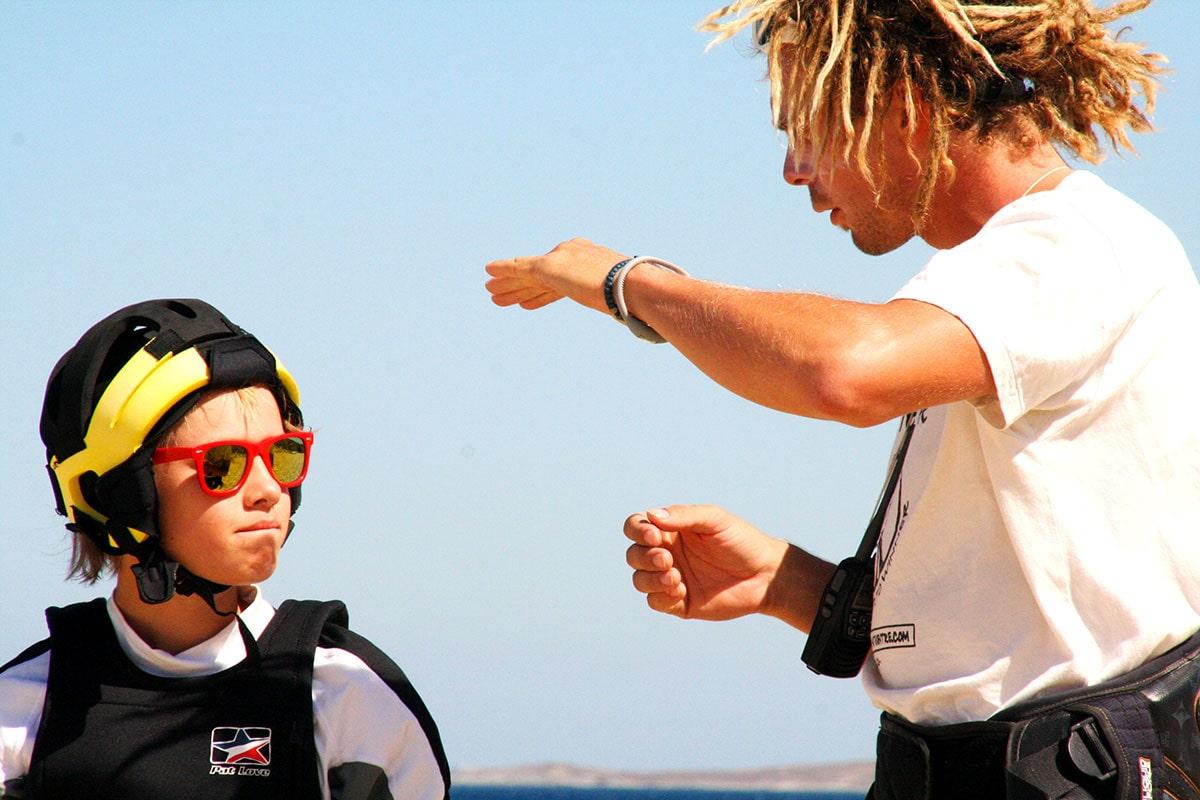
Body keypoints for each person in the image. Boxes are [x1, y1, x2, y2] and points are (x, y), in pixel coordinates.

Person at [485, 1, 1200, 797]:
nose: (794, 170)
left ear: (904, 105)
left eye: (807, 129)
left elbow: (844, 371)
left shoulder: (1075, 245)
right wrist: (786, 583)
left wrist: (630, 284)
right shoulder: (1001, 281)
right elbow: (1015, 625)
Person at [0, 299, 450, 799]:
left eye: (282, 455)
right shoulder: (19, 713)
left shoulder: (348, 696)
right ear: (117, 494)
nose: (268, 489)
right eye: (222, 464)